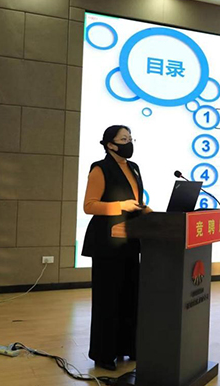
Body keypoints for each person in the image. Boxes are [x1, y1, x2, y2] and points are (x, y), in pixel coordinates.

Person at [82, 125, 149, 371]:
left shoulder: (134, 168)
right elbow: (89, 206)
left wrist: (147, 210)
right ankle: (104, 354)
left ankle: (128, 347)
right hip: (107, 242)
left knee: (130, 296)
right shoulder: (100, 169)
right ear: (110, 144)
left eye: (130, 138)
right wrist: (121, 205)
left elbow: (136, 202)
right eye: (123, 139)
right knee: (107, 299)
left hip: (130, 239)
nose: (128, 143)